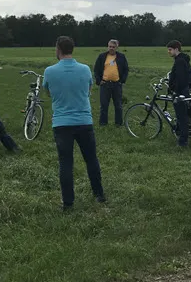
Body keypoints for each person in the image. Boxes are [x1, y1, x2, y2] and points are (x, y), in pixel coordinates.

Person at [43, 36, 106, 210]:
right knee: (91, 159)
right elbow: (88, 90)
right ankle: (99, 194)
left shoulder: (49, 71)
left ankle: (68, 203)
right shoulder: (85, 69)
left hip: (62, 123)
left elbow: (48, 92)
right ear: (73, 49)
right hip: (84, 121)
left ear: (58, 49)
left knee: (66, 162)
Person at [93, 39, 129, 126]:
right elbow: (96, 70)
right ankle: (103, 123)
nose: (111, 48)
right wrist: (99, 81)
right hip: (105, 84)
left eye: (113, 47)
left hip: (117, 84)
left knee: (118, 105)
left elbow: (126, 69)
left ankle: (118, 123)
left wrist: (122, 81)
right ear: (107, 46)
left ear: (117, 47)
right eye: (110, 46)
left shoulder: (121, 57)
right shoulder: (102, 56)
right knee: (104, 105)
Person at [167, 40, 191, 147]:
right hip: (184, 90)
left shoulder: (179, 61)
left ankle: (183, 142)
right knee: (182, 116)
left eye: (170, 50)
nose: (168, 52)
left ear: (176, 49)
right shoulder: (183, 59)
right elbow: (189, 76)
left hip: (180, 93)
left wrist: (174, 90)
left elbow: (181, 79)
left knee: (182, 117)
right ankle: (180, 134)